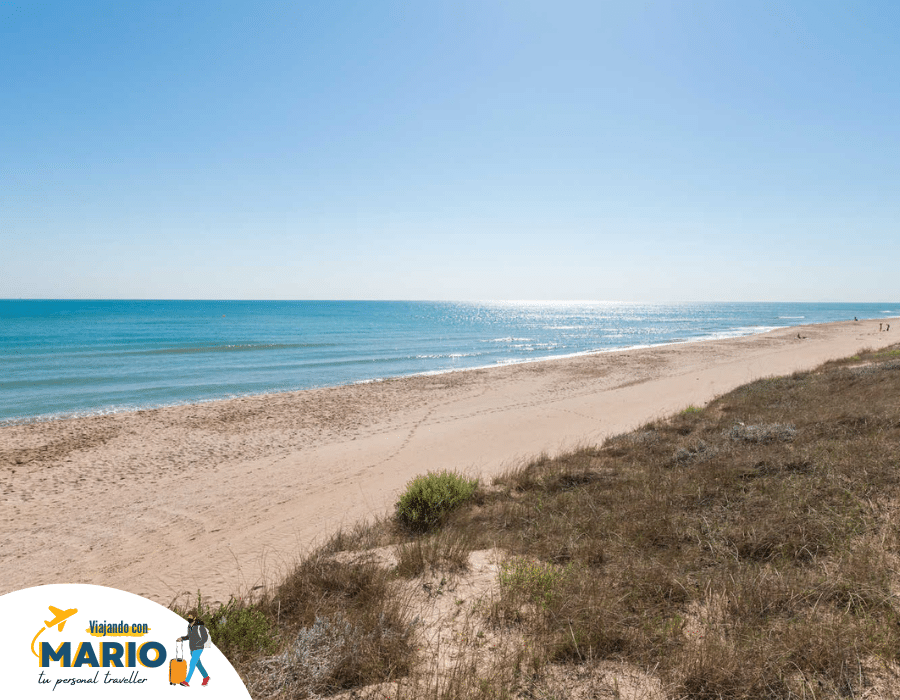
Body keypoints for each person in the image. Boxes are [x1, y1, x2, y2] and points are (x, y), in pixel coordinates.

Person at [176, 613, 210, 687]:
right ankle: (206, 677)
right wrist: (182, 638)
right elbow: (189, 636)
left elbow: (205, 637)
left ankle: (186, 681)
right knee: (198, 664)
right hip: (192, 648)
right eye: (188, 617)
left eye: (191, 617)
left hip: (198, 648)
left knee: (192, 664)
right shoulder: (189, 626)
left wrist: (199, 644)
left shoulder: (199, 627)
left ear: (194, 618)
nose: (189, 618)